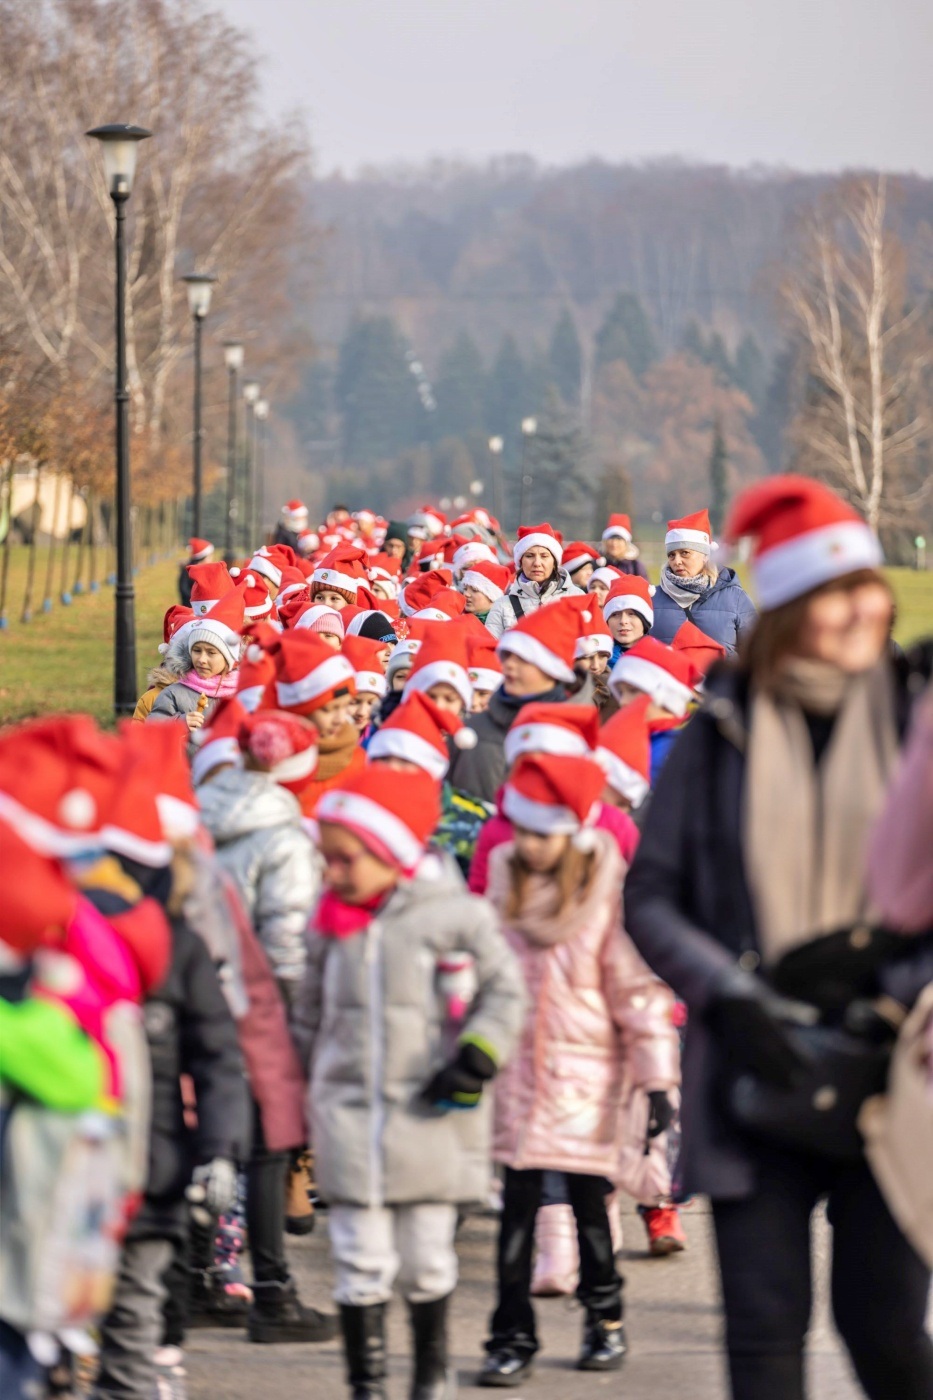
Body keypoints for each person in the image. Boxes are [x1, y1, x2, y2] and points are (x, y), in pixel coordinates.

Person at [624, 475, 933, 1400]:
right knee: (763, 1335)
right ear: (788, 609)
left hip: (893, 1070)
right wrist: (729, 992)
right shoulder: (723, 724)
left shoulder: (917, 715)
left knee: (882, 1329)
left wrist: (889, 998)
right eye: (833, 595)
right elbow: (651, 894)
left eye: (866, 587)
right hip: (752, 1064)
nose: (859, 610)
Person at [294, 766, 525, 1400]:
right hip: (348, 1112)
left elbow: (506, 989)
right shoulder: (331, 920)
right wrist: (293, 1100)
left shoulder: (455, 916)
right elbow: (308, 1013)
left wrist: (479, 1053)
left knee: (427, 1258)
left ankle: (430, 1370)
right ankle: (366, 1383)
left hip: (431, 1114)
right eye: (327, 860)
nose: (332, 874)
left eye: (346, 860)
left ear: (391, 851)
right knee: (358, 1260)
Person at [478, 754, 679, 1385]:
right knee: (516, 1222)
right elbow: (483, 977)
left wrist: (656, 1082)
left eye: (544, 833)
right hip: (517, 1084)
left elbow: (637, 992)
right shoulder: (503, 886)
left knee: (593, 1217)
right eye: (523, 832)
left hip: (588, 1086)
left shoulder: (603, 895)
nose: (531, 846)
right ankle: (510, 1334)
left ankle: (606, 1322)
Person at [196, 707, 337, 1345]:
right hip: (259, 1000)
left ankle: (199, 1275)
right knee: (266, 1145)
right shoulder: (282, 838)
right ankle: (274, 1294)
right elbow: (286, 938)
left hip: (195, 992)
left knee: (208, 1135)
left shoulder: (203, 812)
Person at [449, 596, 595, 804]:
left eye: (523, 659)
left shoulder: (576, 734)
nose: (509, 665)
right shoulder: (473, 728)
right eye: (507, 656)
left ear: (552, 669)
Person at [650, 509, 756, 654]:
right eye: (671, 555)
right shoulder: (653, 600)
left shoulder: (736, 599)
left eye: (685, 553)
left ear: (705, 556)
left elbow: (757, 653)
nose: (677, 561)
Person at [149, 592, 244, 732]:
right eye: (197, 650)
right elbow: (151, 731)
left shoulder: (243, 694)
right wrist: (179, 723)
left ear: (228, 657)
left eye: (211, 653)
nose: (201, 659)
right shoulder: (173, 694)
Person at [484, 524, 582, 640]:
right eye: (530, 556)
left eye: (544, 556)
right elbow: (490, 651)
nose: (537, 563)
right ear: (520, 562)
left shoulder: (577, 598)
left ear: (554, 561)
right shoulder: (503, 606)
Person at [603, 576, 654, 668]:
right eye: (615, 614)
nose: (623, 621)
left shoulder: (661, 661)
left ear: (645, 620)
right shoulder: (597, 664)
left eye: (631, 614)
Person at [461, 561, 511, 626]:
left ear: (492, 596)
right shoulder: (456, 617)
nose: (466, 594)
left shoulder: (504, 626)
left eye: (474, 590)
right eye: (465, 589)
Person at [601, 514, 649, 580]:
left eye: (619, 539)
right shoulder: (599, 564)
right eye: (611, 538)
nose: (614, 543)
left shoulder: (635, 566)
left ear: (626, 543)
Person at [178, 538, 213, 607]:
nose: (212, 558)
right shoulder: (188, 572)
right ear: (203, 557)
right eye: (210, 556)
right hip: (192, 608)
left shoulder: (202, 570)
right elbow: (184, 591)